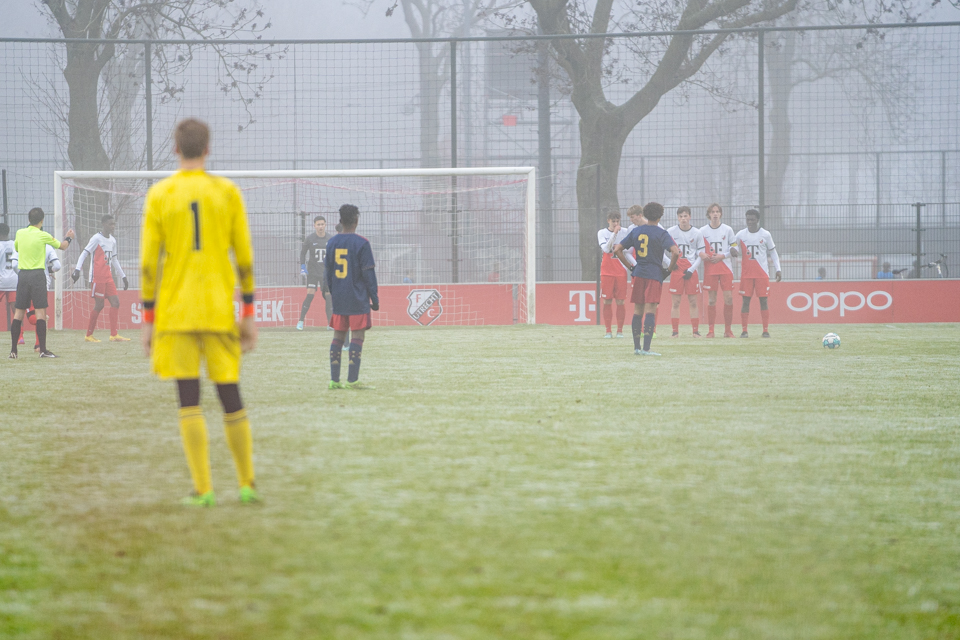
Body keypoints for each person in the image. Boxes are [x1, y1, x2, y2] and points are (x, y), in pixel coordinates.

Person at [140, 118, 259, 507]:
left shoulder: (160, 194)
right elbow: (244, 257)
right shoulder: (226, 192)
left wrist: (148, 319)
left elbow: (147, 263)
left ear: (175, 149)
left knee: (188, 399)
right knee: (230, 394)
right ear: (208, 148)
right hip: (218, 310)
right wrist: (249, 312)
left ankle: (204, 490)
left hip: (175, 314)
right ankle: (246, 485)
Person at [324, 203, 379, 389]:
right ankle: (352, 380)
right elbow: (369, 274)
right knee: (357, 336)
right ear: (356, 220)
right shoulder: (362, 243)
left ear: (340, 221)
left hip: (339, 297)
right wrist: (375, 298)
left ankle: (334, 380)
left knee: (338, 338)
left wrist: (334, 292)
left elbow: (328, 274)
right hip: (357, 298)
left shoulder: (331, 243)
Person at [613, 202, 679, 356]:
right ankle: (647, 349)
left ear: (645, 215)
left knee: (637, 310)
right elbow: (675, 252)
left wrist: (631, 267)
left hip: (639, 273)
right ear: (660, 216)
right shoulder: (661, 233)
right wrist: (668, 270)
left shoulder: (637, 231)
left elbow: (617, 249)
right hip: (654, 274)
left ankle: (636, 348)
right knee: (650, 310)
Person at [9, 207, 74, 359]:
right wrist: (69, 237)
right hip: (38, 275)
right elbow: (63, 246)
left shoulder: (20, 233)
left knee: (18, 313)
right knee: (40, 313)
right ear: (42, 221)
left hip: (23, 275)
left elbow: (17, 248)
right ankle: (42, 350)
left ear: (28, 220)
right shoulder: (43, 235)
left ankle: (13, 351)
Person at [71, 214, 130, 342]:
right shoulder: (96, 238)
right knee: (99, 305)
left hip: (108, 277)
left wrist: (123, 276)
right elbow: (84, 253)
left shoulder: (113, 241)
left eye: (113, 224)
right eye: (110, 224)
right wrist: (77, 269)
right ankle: (88, 335)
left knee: (116, 303)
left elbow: (114, 260)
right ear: (103, 224)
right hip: (97, 277)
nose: (112, 226)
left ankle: (114, 335)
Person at [735, 209, 781, 338]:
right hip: (746, 275)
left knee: (764, 301)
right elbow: (733, 248)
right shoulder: (740, 235)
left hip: (762, 274)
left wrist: (778, 269)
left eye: (752, 219)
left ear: (757, 220)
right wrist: (730, 252)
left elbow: (773, 252)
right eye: (748, 219)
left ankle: (765, 330)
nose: (749, 222)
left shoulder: (765, 234)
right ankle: (744, 331)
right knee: (745, 302)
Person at [699, 203, 739, 338]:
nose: (715, 214)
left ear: (720, 214)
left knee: (728, 298)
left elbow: (735, 247)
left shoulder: (728, 230)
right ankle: (711, 330)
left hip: (725, 268)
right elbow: (698, 249)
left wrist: (723, 255)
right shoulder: (702, 231)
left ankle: (728, 330)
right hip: (710, 269)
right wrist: (702, 254)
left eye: (717, 211)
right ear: (709, 215)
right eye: (712, 212)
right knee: (711, 300)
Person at [667, 206, 705, 337]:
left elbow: (701, 254)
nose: (683, 219)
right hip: (676, 270)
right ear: (678, 218)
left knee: (693, 301)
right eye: (681, 216)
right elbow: (660, 252)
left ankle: (695, 331)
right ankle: (675, 331)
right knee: (676, 302)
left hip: (691, 270)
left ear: (690, 217)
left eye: (685, 216)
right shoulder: (671, 232)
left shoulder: (697, 233)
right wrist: (670, 265)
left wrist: (692, 269)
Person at [597, 211, 633, 338]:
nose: (616, 224)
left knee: (620, 301)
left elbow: (630, 249)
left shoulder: (625, 232)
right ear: (608, 221)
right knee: (607, 301)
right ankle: (608, 331)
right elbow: (606, 249)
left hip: (620, 272)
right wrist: (614, 234)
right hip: (607, 272)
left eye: (618, 221)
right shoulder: (602, 233)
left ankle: (620, 331)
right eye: (613, 221)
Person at [297, 215, 334, 331]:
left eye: (322, 224)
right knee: (310, 294)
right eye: (318, 224)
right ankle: (301, 321)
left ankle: (330, 324)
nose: (320, 227)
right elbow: (303, 253)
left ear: (325, 225)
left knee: (328, 297)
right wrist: (303, 266)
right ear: (314, 226)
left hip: (325, 274)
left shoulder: (330, 239)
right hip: (312, 272)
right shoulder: (310, 239)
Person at [0, 223, 18, 331]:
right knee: (16, 310)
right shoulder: (15, 244)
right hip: (14, 280)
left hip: (1, 280)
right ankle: (20, 335)